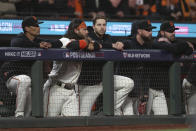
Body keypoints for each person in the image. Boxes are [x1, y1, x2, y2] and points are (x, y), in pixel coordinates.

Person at [116, 20, 194, 115]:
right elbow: (175, 48)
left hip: (147, 90)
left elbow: (187, 50)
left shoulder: (149, 44)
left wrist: (185, 44)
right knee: (131, 118)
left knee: (161, 118)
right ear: (139, 31)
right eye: (148, 30)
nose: (150, 32)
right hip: (132, 89)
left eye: (151, 30)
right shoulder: (154, 43)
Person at [0, 16, 62, 117]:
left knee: (29, 88)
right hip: (11, 76)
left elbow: (58, 43)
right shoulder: (19, 38)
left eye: (38, 26)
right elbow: (15, 43)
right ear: (27, 28)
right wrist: (38, 46)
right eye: (35, 26)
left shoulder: (37, 40)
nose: (38, 28)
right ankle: (19, 114)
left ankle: (25, 119)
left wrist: (49, 44)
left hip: (25, 79)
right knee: (25, 80)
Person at [43, 18, 101, 117]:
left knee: (74, 123)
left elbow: (98, 45)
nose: (87, 31)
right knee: (49, 123)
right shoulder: (65, 40)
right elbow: (70, 45)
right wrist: (86, 43)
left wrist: (86, 43)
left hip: (71, 91)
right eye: (84, 29)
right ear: (76, 30)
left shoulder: (84, 41)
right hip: (56, 88)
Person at [79, 15, 134, 116]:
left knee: (128, 83)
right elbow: (95, 44)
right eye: (99, 25)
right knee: (83, 115)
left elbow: (129, 42)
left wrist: (121, 43)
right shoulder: (89, 35)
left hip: (106, 79)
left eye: (104, 25)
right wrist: (111, 45)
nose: (102, 27)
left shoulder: (108, 37)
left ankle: (108, 107)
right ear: (94, 26)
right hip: (89, 83)